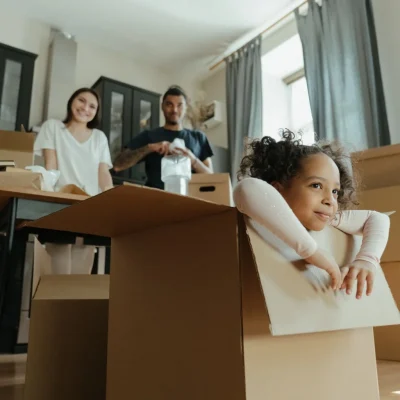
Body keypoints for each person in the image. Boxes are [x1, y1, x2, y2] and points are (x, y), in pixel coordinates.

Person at [233, 130, 390, 299]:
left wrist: (367, 260)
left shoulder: (328, 217)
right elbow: (246, 188)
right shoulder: (257, 208)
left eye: (335, 191)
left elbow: (378, 218)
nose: (330, 200)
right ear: (278, 189)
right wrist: (312, 252)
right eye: (316, 185)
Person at [112, 85, 214, 189]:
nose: (174, 110)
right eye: (169, 104)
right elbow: (118, 165)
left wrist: (192, 159)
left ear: (186, 107)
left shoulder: (199, 138)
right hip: (156, 200)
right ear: (162, 106)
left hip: (189, 201)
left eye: (179, 105)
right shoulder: (149, 136)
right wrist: (150, 148)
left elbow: (212, 179)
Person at [34, 87, 113, 196]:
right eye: (81, 100)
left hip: (90, 201)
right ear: (71, 101)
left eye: (92, 106)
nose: (85, 108)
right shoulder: (52, 126)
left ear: (96, 112)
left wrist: (112, 197)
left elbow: (103, 172)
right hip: (61, 197)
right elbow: (51, 166)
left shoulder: (99, 137)